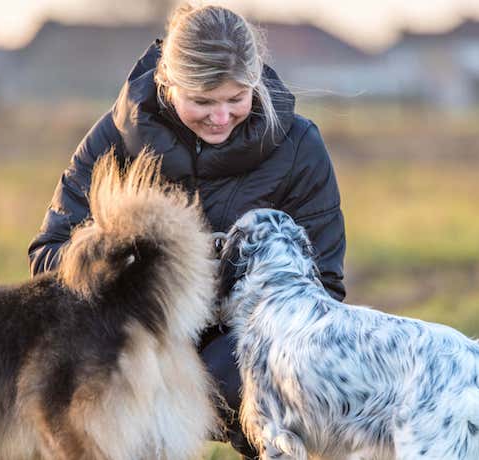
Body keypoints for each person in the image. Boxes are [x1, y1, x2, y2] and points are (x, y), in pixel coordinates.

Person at [26, 4, 346, 457]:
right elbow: (47, 255)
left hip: (242, 346)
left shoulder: (299, 148)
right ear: (167, 83)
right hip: (134, 339)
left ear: (255, 82)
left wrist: (229, 309)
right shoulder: (116, 137)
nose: (220, 117)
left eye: (236, 99)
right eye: (202, 101)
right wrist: (135, 267)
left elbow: (324, 288)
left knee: (263, 375)